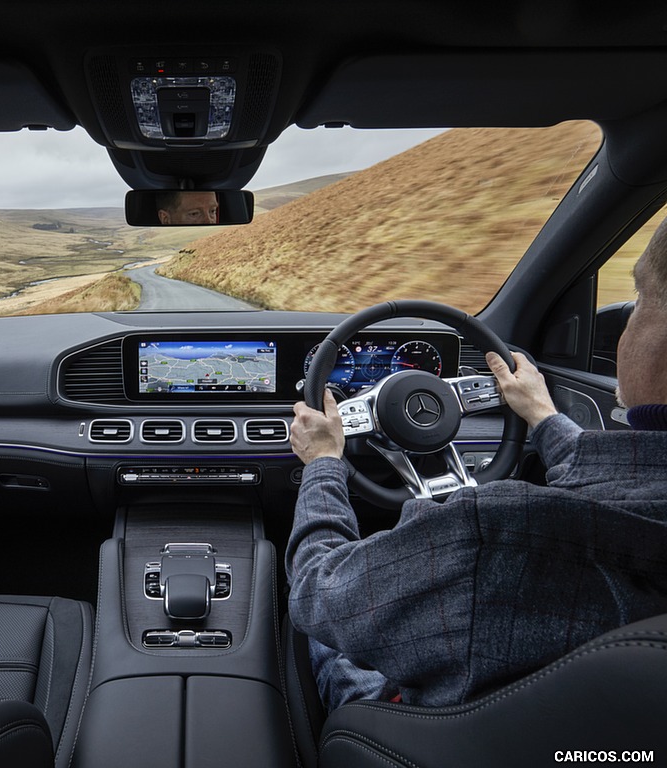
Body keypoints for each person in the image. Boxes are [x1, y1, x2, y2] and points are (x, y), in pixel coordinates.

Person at [286, 216, 667, 712]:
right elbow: (622, 487)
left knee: (321, 627)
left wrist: (322, 463)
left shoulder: (491, 537)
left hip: (409, 730)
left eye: (639, 300)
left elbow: (318, 586)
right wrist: (543, 416)